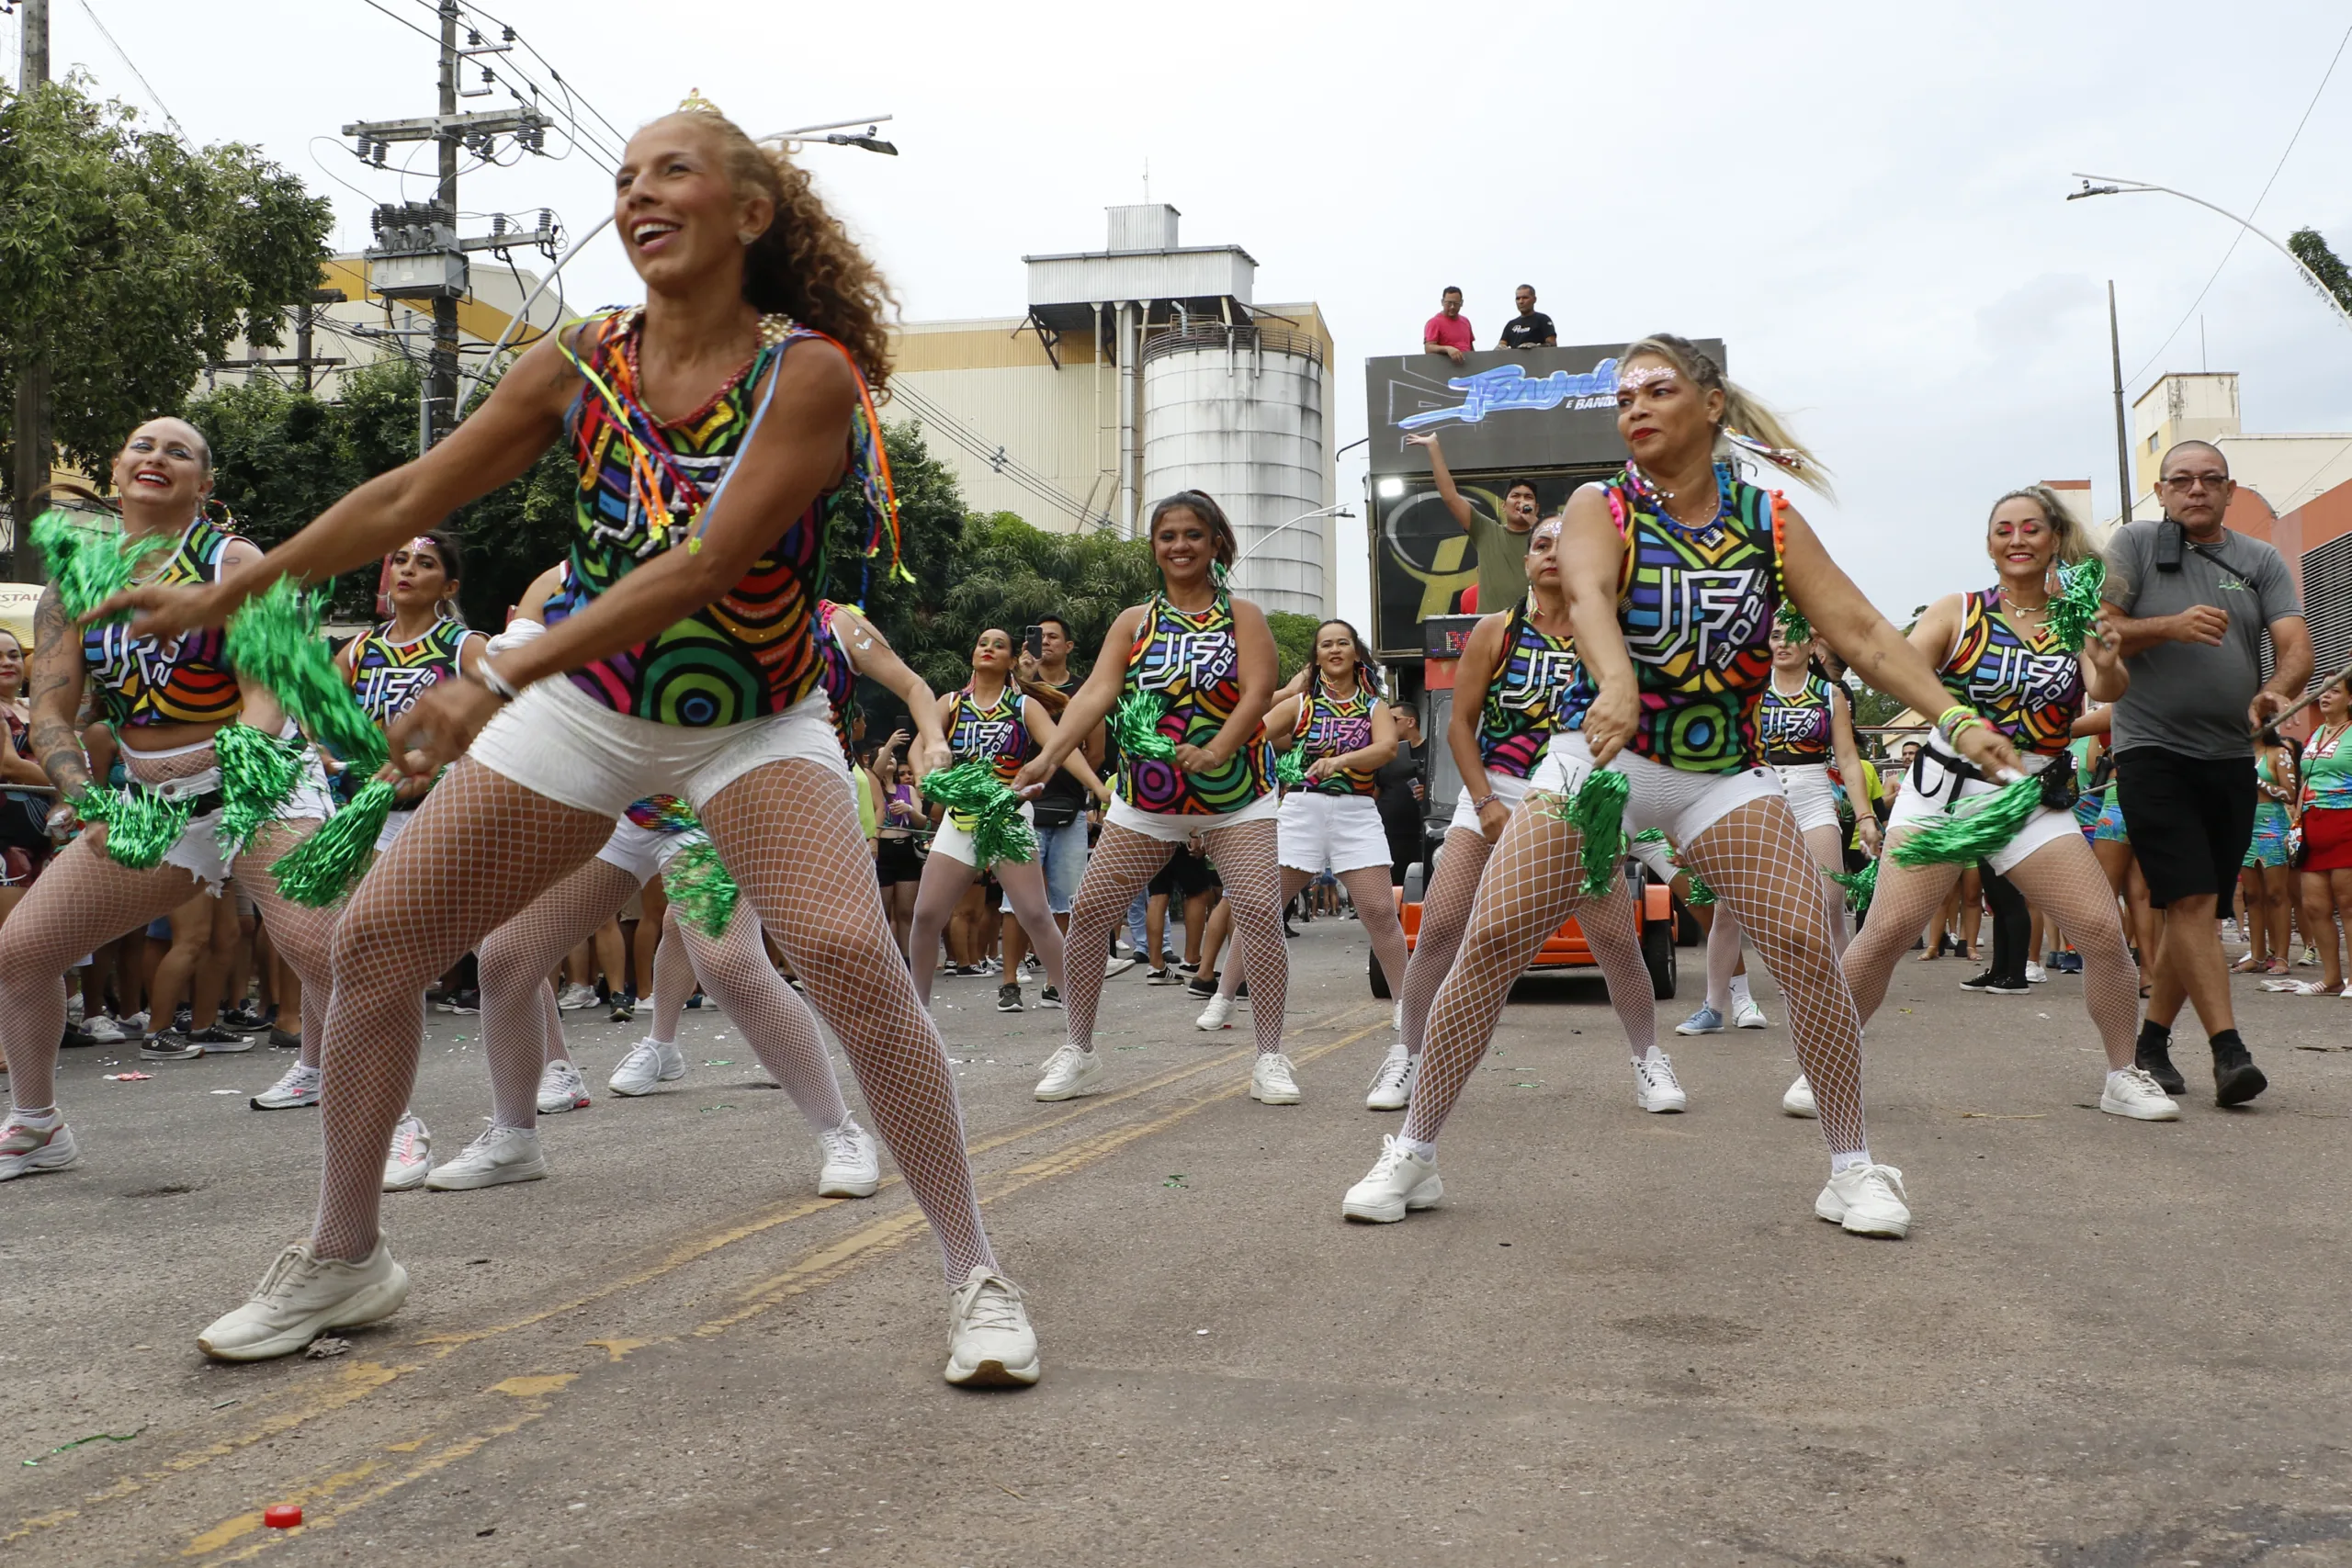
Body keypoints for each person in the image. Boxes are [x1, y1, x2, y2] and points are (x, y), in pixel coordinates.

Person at [106, 104, 1036, 1383]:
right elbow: (405, 494)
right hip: (590, 711)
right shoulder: (583, 356)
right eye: (625, 177)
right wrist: (218, 599)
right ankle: (345, 1254)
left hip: (753, 720)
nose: (640, 193)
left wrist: (496, 668)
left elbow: (707, 560)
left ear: (750, 214)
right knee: (377, 944)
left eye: (675, 172)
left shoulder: (805, 370)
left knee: (838, 951)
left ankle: (975, 1268)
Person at [1341, 333, 2026, 1237]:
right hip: (1600, 760)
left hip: (1719, 775)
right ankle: (1414, 1154)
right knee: (1495, 934)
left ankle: (1851, 1168)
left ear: (1709, 406)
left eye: (1657, 389)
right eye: (1624, 395)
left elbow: (1861, 632)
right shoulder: (1602, 505)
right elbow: (1585, 594)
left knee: (1803, 941)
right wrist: (1616, 679)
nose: (1635, 406)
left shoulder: (1768, 522)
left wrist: (1953, 717)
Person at [0, 427, 339, 1181]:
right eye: (141, 446)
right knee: (22, 952)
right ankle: (36, 1124)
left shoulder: (234, 563)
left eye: (179, 451)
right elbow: (52, 716)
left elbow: (266, 694)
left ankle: (389, 1124)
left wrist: (240, 781)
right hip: (156, 805)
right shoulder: (71, 588)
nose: (156, 455)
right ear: (116, 472)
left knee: (325, 952)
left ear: (204, 487)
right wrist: (91, 801)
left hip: (261, 786)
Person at [1824, 485, 2174, 1121]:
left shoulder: (2076, 616)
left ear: (2053, 540)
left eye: (2031, 529)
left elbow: (2107, 687)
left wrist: (2108, 656)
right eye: (2004, 529)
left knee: (2100, 930)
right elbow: (1896, 667)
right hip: (1946, 794)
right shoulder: (1958, 611)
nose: (2017, 539)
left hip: (2031, 797)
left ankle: (2122, 1073)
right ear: (1989, 544)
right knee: (1886, 933)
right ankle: (1824, 1063)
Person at [1382, 516, 1671, 1114]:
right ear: (1526, 559)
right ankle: (1404, 1053)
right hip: (1499, 790)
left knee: (1616, 940)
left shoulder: (1611, 634)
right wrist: (1485, 801)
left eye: (1567, 546)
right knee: (1439, 927)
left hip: (1577, 796)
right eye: (1542, 545)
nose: (1552, 555)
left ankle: (1649, 1060)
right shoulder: (1496, 630)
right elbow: (1458, 726)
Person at [1015, 491, 1294, 1105]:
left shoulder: (1243, 616)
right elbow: (1094, 695)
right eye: (1167, 536)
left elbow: (1258, 692)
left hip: (1236, 794)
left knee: (1256, 911)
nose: (1180, 546)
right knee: (1089, 912)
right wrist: (1046, 755)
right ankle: (1080, 1049)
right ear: (1154, 547)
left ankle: (1270, 1055)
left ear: (1216, 541)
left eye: (1193, 534)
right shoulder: (1133, 621)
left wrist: (1219, 747)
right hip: (1148, 799)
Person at [2101, 440, 2312, 1105]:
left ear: (2229, 490)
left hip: (2230, 757)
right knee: (2192, 900)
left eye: (2210, 480)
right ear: (2160, 491)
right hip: (2151, 751)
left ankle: (2152, 1042)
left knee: (2198, 907)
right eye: (2181, 480)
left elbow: (2296, 645)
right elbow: (2100, 629)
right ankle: (2229, 1050)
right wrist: (2169, 625)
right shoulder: (2133, 545)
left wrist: (2277, 689)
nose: (2196, 489)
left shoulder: (2260, 560)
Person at [1194, 619, 1408, 1033]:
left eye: (1343, 643)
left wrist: (1340, 762)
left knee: (1381, 910)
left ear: (1356, 652)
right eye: (1325, 644)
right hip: (1301, 810)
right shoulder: (1301, 705)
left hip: (1356, 812)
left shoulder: (1374, 707)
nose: (1334, 650)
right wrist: (1287, 692)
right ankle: (1223, 997)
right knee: (1259, 910)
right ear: (1315, 657)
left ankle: (1405, 1002)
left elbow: (1385, 749)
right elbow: (1248, 730)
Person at [1681, 621, 1878, 1035]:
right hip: (1755, 793)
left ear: (1813, 645)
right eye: (1775, 636)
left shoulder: (1831, 694)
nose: (1783, 643)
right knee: (1728, 908)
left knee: (1829, 900)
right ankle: (1715, 1007)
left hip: (1812, 794)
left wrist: (1865, 816)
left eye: (1793, 636)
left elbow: (1846, 758)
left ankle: (1845, 1006)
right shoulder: (1748, 688)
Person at [905, 628, 1088, 1016]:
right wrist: (925, 780)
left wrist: (1099, 790)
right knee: (925, 916)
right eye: (982, 643)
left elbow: (1061, 750)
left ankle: (1077, 1009)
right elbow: (920, 744)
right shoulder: (950, 703)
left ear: (1010, 662)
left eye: (999, 645)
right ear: (972, 655)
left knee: (1036, 915)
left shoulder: (1023, 707)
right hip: (960, 819)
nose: (988, 649)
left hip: (1007, 817)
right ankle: (917, 1013)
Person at [1004, 615, 1101, 988]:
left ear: (1069, 646)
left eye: (1053, 637)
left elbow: (1094, 753)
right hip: (1021, 807)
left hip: (1069, 807)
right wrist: (1025, 681)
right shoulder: (1016, 687)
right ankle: (1009, 980)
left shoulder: (1085, 690)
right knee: (1015, 900)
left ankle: (1055, 983)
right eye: (1038, 636)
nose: (1045, 643)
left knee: (1065, 898)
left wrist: (1069, 778)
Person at [1408, 432, 1538, 619]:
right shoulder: (1486, 530)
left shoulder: (1547, 539)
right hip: (1492, 630)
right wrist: (1433, 447)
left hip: (1533, 629)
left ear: (1536, 506)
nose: (1521, 501)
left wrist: (1535, 524)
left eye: (1528, 497)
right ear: (1503, 505)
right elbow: (1450, 496)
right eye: (1515, 496)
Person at [2294, 682, 2352, 995]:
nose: (2325, 695)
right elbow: (2306, 778)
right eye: (2323, 690)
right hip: (2312, 825)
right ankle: (2331, 978)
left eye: (2335, 690)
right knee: (2315, 905)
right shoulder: (2314, 734)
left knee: (2349, 903)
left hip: (2346, 821)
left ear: (2350, 698)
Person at [2232, 733, 2299, 976]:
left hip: (2272, 824)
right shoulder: (2236, 753)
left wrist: (2258, 782)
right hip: (2244, 823)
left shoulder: (2278, 753)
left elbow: (2290, 794)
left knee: (2276, 894)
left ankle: (2281, 957)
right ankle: (2257, 955)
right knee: (2251, 895)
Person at [1374, 704, 1427, 886]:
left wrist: (1429, 792)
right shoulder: (1385, 754)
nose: (1387, 725)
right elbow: (1375, 791)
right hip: (1388, 834)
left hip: (1420, 835)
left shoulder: (1432, 751)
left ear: (1411, 722)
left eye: (1392, 720)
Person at [1496, 285, 1556, 352]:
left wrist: (1537, 347)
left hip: (1537, 360)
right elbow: (1501, 345)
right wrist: (1499, 348)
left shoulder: (1543, 319)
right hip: (1515, 361)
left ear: (1534, 299)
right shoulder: (1511, 324)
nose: (1521, 302)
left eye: (1525, 298)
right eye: (1518, 298)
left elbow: (1552, 344)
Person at [1423, 286, 1473, 365]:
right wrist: (1448, 349)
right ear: (1442, 302)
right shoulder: (1434, 322)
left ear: (1461, 303)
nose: (1452, 307)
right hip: (1445, 367)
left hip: (1467, 366)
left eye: (1456, 303)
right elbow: (1429, 348)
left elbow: (1470, 347)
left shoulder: (1466, 322)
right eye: (1449, 303)